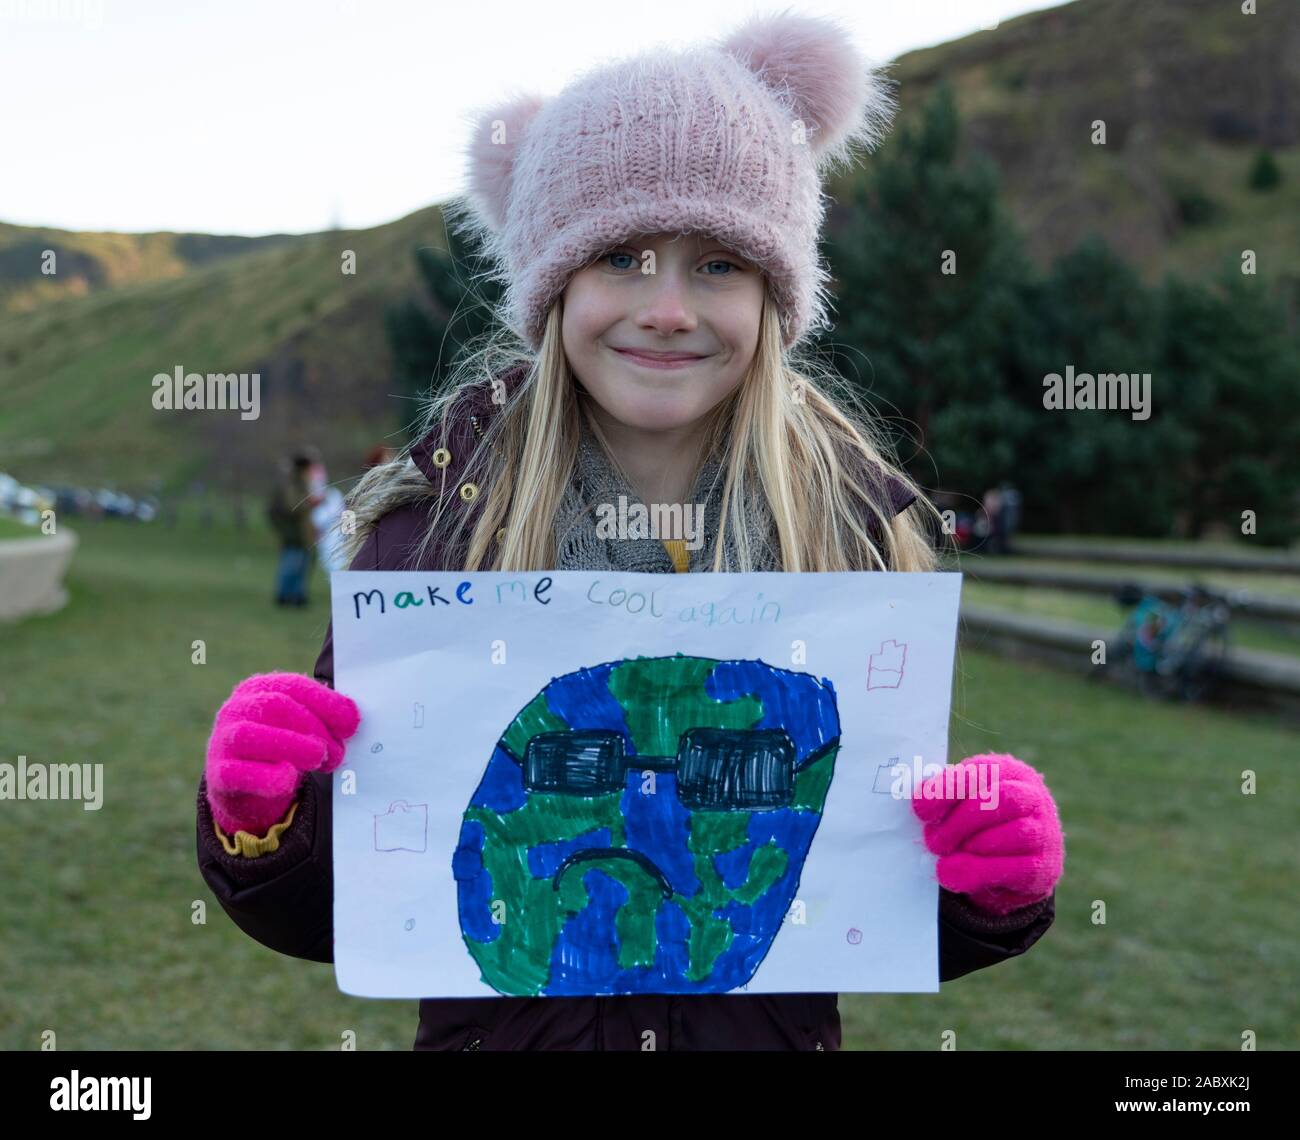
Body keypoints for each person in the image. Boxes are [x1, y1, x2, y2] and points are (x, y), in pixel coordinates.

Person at [197, 12, 1063, 1051]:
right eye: (620, 255)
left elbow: (856, 892)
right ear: (553, 288)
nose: (665, 307)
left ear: (775, 297)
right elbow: (355, 906)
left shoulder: (850, 538)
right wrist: (263, 823)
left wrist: (987, 882)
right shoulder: (428, 542)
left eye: (718, 265)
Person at [266, 448, 322, 606]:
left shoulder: (302, 483)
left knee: (302, 565)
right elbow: (293, 506)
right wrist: (311, 503)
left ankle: (298, 595)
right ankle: (284, 595)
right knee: (291, 564)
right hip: (294, 533)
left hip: (303, 533)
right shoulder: (294, 484)